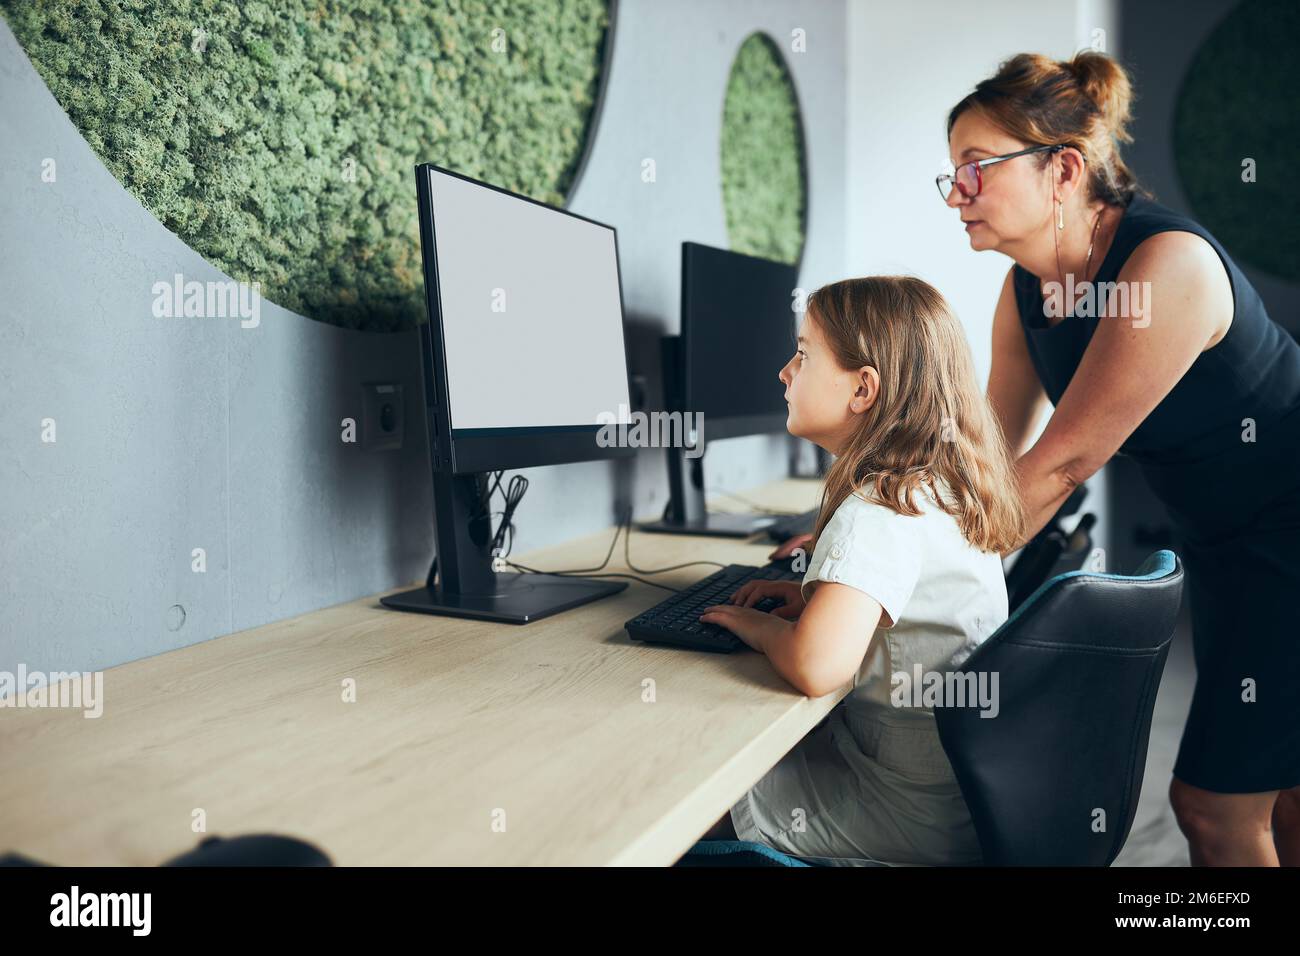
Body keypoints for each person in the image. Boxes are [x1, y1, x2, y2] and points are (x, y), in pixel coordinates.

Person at [940, 50, 1300, 865]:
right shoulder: (1025, 290)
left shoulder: (1167, 267)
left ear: (1063, 169)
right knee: (1282, 792)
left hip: (1289, 524)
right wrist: (864, 530)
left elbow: (1061, 466)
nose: (956, 191)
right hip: (1224, 540)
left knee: (1212, 809)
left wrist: (888, 580)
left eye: (975, 167)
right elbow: (993, 456)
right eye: (951, 172)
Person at [695, 275, 1025, 865]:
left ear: (863, 389)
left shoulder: (878, 509)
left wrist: (759, 627)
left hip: (902, 812)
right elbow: (892, 609)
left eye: (802, 355)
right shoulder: (934, 489)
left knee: (687, 796)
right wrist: (814, 601)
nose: (784, 373)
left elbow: (818, 667)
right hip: (958, 798)